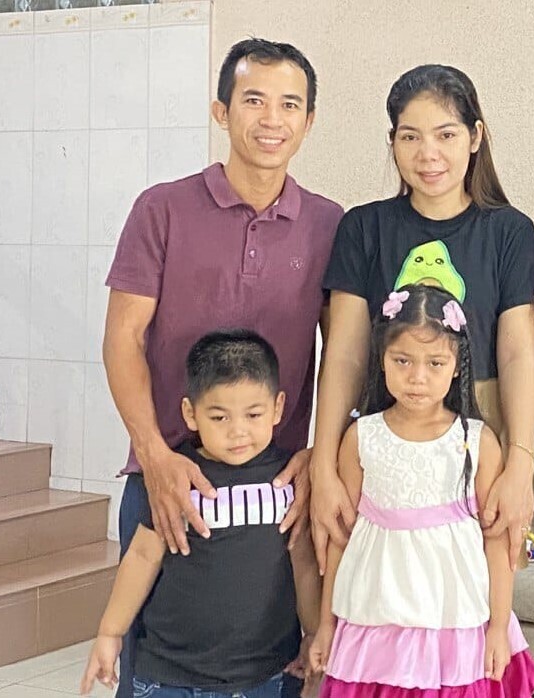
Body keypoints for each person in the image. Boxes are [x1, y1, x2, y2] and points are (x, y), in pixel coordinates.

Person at [102, 38, 342, 697]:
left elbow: (346, 356)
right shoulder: (163, 208)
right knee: (152, 671)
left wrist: (321, 454)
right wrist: (153, 455)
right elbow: (122, 337)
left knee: (273, 671)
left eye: (289, 103)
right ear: (221, 110)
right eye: (253, 99)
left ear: (309, 120)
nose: (271, 118)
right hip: (167, 476)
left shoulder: (329, 224)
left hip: (277, 496)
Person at [310, 64, 534, 575]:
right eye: (410, 136)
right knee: (383, 589)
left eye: (446, 134)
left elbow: (518, 351)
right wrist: (325, 465)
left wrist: (521, 460)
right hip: (383, 433)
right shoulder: (363, 228)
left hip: (481, 432)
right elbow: (346, 355)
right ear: (392, 142)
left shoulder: (509, 231)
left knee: (476, 598)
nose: (427, 153)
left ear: (476, 136)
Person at [307, 284, 534, 697]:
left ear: (456, 365)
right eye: (403, 360)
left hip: (454, 620)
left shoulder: (477, 441)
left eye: (435, 363)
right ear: (382, 359)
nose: (418, 377)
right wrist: (326, 625)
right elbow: (342, 540)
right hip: (376, 617)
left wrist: (499, 627)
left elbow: (496, 542)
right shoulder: (360, 437)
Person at [80, 330, 321, 698]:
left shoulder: (290, 480)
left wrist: (314, 634)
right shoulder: (177, 480)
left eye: (253, 414)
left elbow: (303, 564)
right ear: (191, 414)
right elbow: (143, 555)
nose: (238, 431)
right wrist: (110, 632)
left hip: (262, 676)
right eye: (219, 417)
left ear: (277, 407)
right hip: (170, 675)